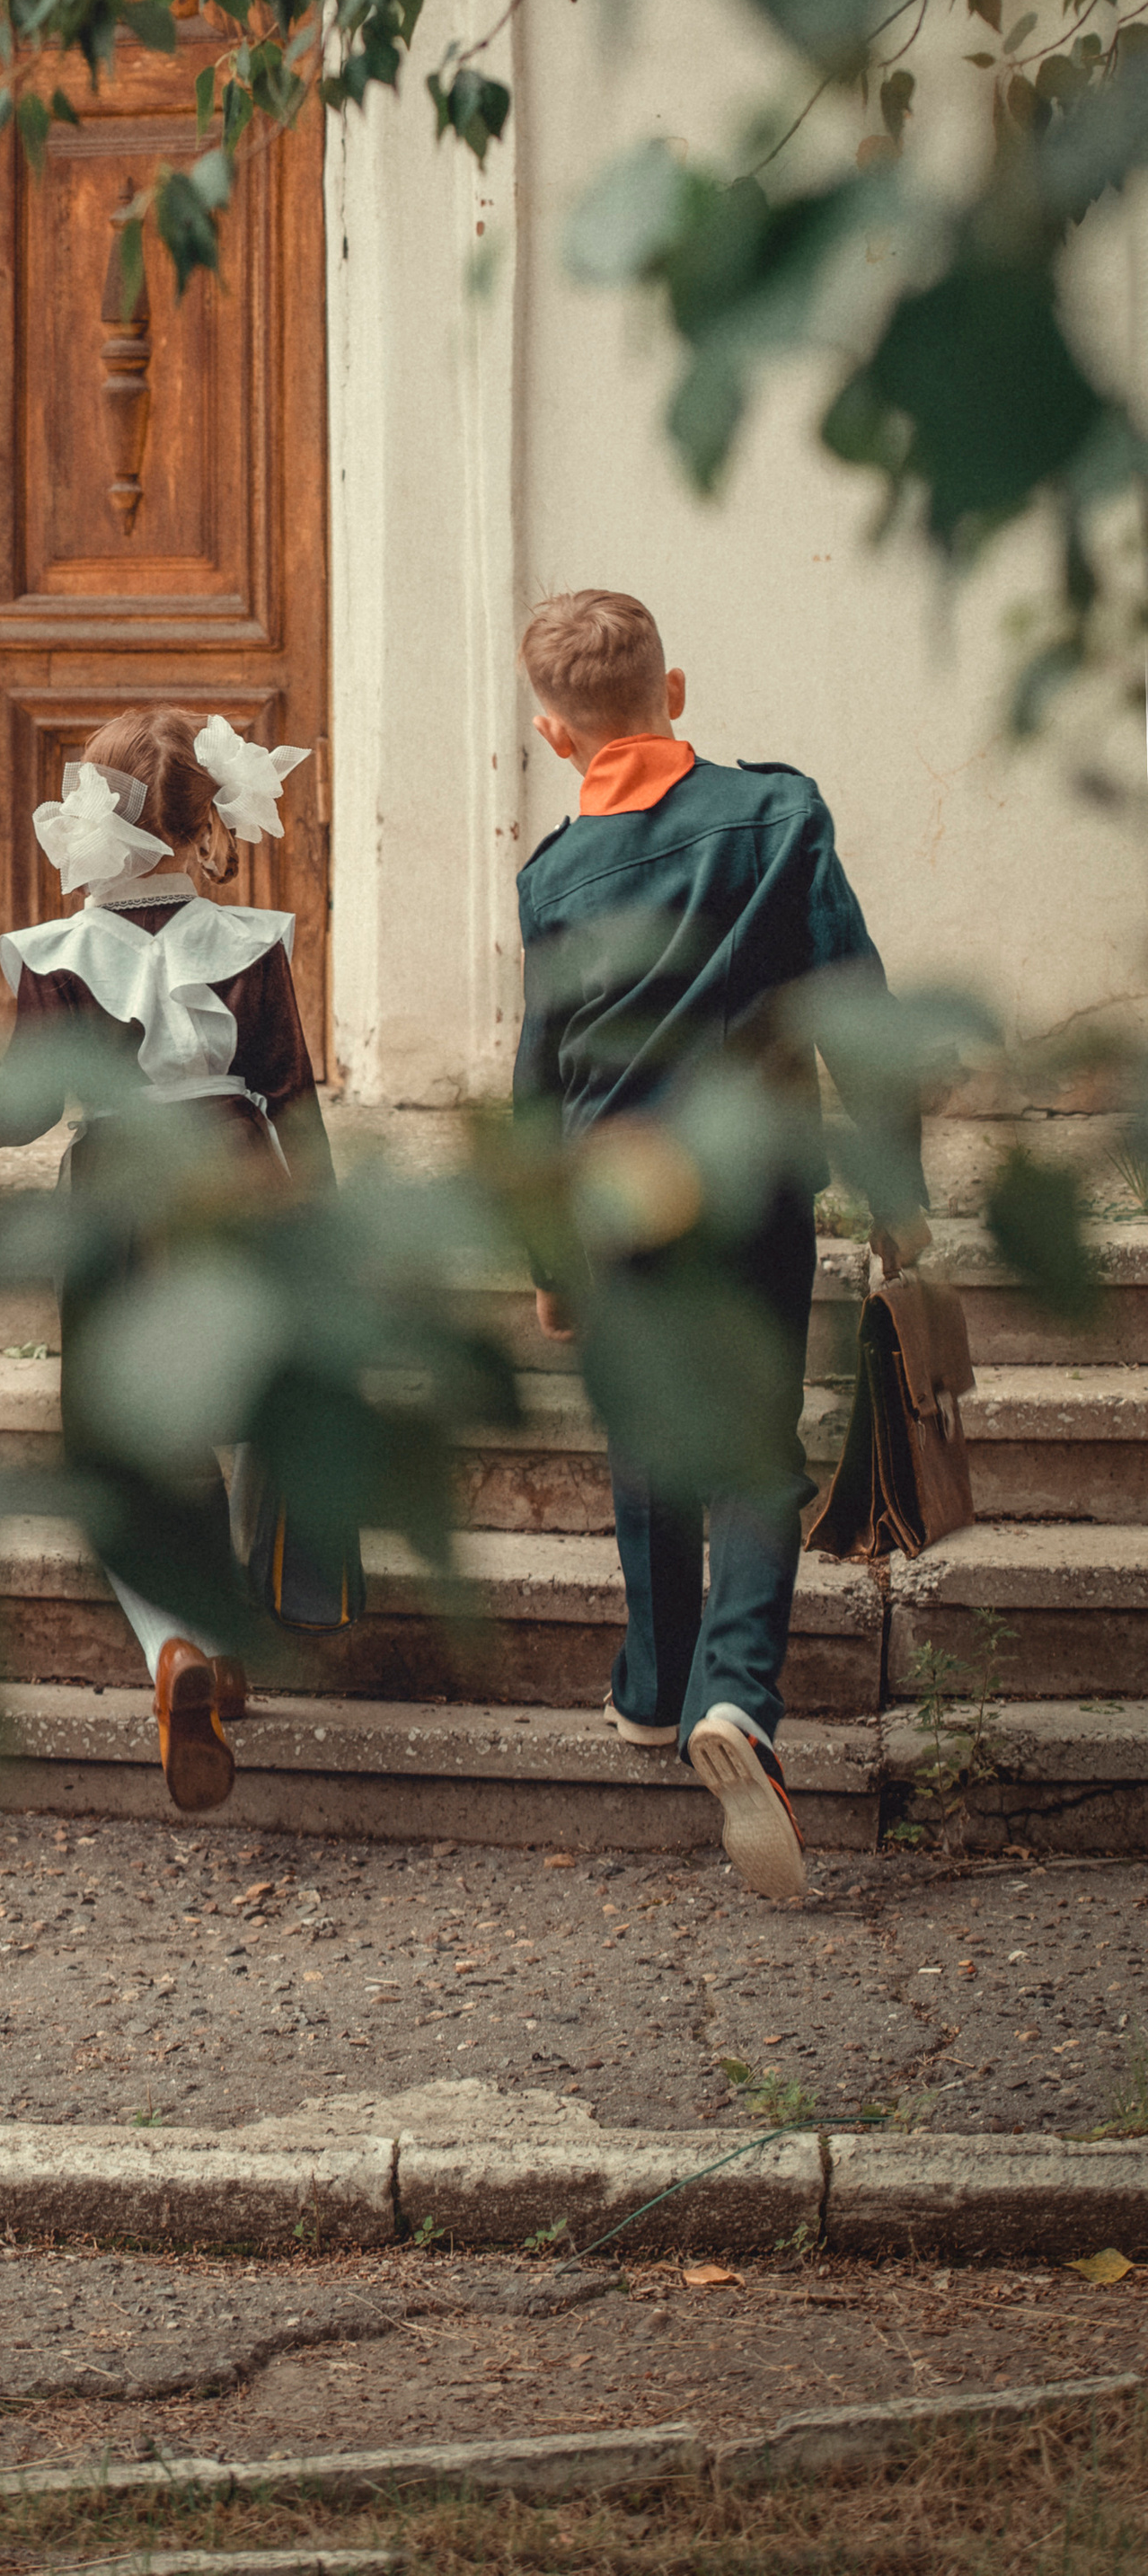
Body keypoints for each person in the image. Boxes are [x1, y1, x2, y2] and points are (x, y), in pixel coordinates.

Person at [513, 589, 932, 1905]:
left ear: (553, 734)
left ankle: (653, 1686)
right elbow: (859, 1005)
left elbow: (541, 1072)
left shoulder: (552, 877)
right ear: (675, 691)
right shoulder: (779, 814)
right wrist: (898, 1182)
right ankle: (736, 1698)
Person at [0, 704, 335, 1814]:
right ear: (205, 828)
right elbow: (292, 1097)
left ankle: (175, 1648)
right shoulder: (249, 944)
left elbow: (22, 1110)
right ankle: (232, 1632)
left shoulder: (61, 956)